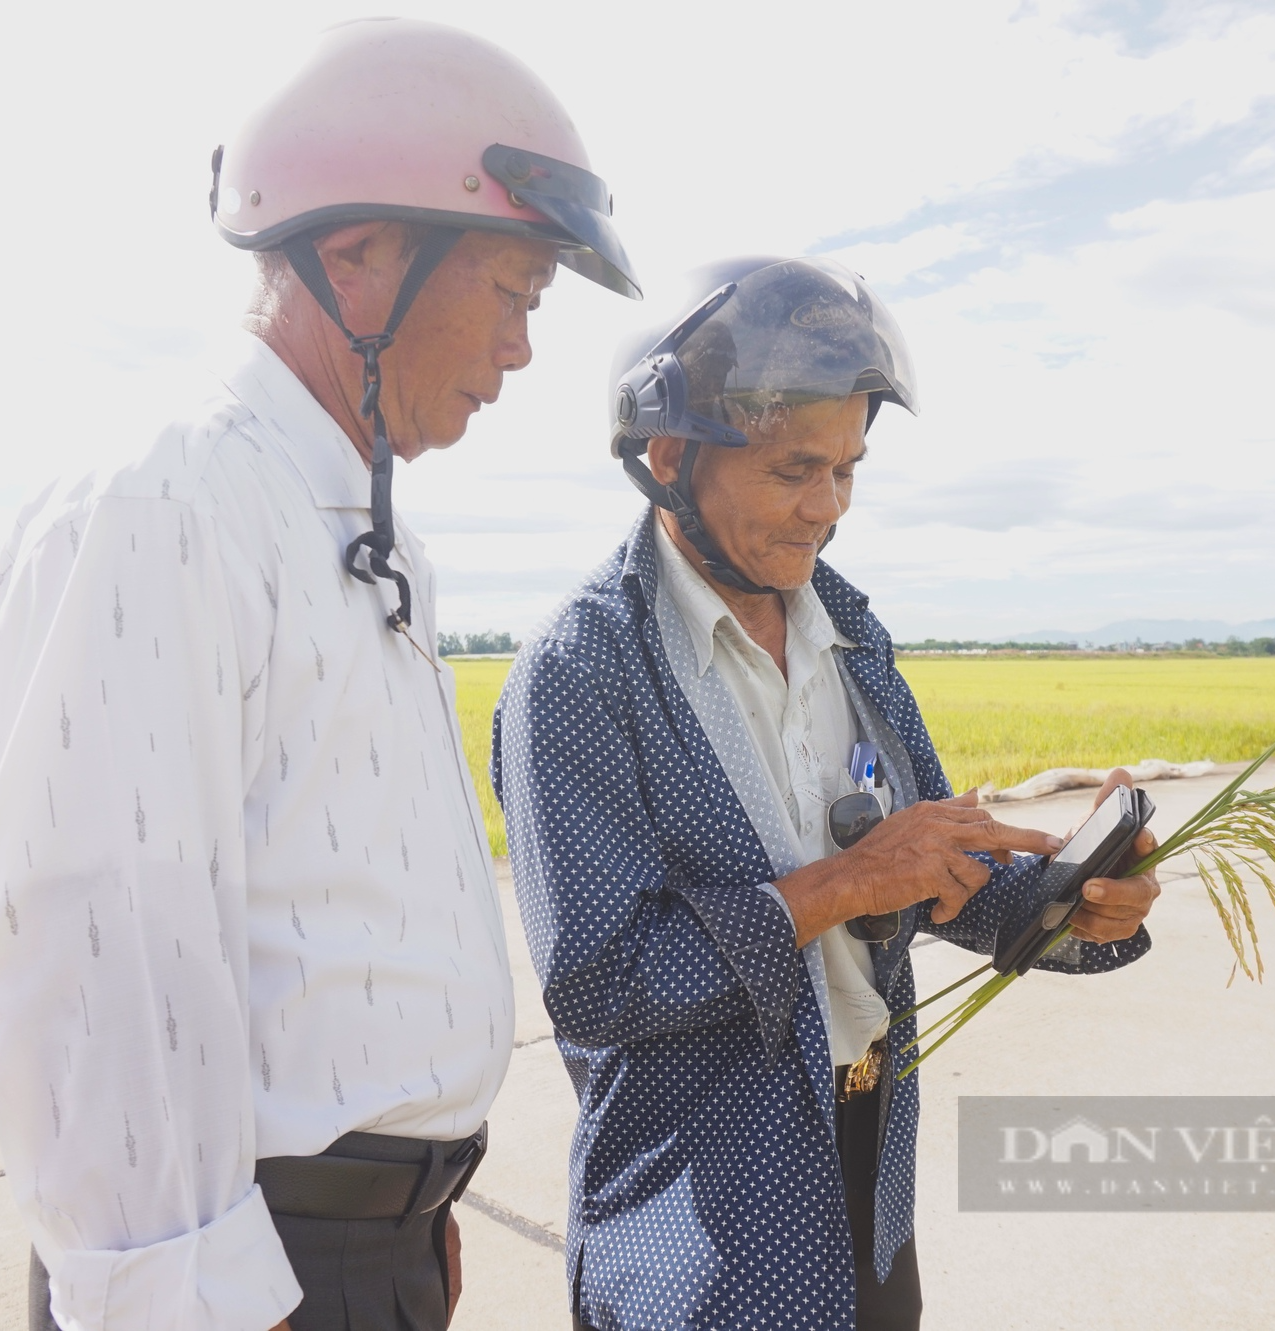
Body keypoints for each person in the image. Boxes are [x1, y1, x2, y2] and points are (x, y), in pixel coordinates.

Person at [0, 21, 638, 1331]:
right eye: (514, 292)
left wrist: (414, 1217)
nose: (521, 350)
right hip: (234, 1276)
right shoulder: (168, 496)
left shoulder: (356, 524)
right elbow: (105, 946)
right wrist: (196, 1296)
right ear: (358, 253)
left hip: (358, 1257)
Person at [492, 257, 1160, 1330]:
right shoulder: (582, 671)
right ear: (670, 458)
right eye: (794, 469)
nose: (826, 509)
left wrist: (1074, 899)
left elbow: (941, 868)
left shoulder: (847, 632)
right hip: (702, 1229)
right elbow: (601, 984)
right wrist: (841, 881)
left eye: (847, 469)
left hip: (869, 1184)